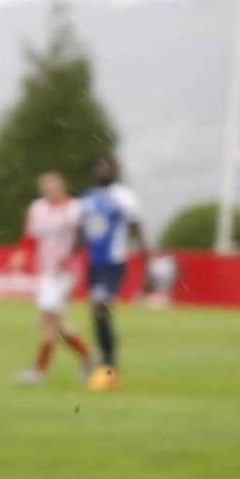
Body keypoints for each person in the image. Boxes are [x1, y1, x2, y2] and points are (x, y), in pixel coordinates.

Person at [13, 171, 95, 385]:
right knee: (52, 321)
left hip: (68, 272)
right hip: (47, 270)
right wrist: (22, 252)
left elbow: (84, 237)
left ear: (62, 187)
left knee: (48, 318)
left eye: (53, 188)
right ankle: (87, 355)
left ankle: (39, 370)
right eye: (45, 189)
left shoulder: (75, 208)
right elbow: (31, 236)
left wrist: (71, 256)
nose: (50, 192)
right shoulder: (37, 209)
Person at [77, 154, 151, 391]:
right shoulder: (87, 198)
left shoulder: (124, 198)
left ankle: (109, 367)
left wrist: (145, 269)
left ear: (116, 171)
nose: (103, 170)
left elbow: (137, 231)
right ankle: (107, 366)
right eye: (99, 166)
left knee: (101, 309)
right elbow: (81, 233)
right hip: (94, 265)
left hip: (114, 263)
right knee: (98, 314)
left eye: (108, 167)